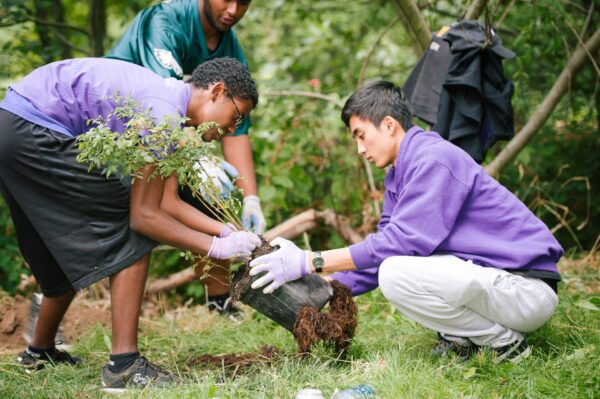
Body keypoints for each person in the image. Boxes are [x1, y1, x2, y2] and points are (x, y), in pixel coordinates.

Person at [248, 80, 563, 364]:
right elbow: (386, 250)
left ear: (388, 125)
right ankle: (468, 340)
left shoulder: (433, 159)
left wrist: (308, 260)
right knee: (393, 268)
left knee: (395, 273)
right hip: (498, 287)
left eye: (361, 136)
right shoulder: (400, 175)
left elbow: (398, 246)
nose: (360, 149)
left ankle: (503, 344)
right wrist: (325, 288)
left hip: (525, 291)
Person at [0, 57, 261, 390]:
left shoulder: (169, 110)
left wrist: (228, 231)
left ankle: (39, 351)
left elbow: (167, 201)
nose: (232, 130)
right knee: (129, 226)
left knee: (59, 247)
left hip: (12, 128)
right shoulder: (163, 114)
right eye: (236, 116)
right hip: (32, 129)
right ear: (217, 91)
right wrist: (217, 247)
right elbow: (144, 217)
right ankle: (123, 366)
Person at [105, 0, 263, 317]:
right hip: (119, 132)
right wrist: (195, 163)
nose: (233, 9)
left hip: (163, 139)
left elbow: (236, 127)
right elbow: (162, 113)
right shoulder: (165, 22)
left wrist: (251, 199)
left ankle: (220, 304)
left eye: (243, 2)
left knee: (214, 193)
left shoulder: (229, 48)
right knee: (143, 215)